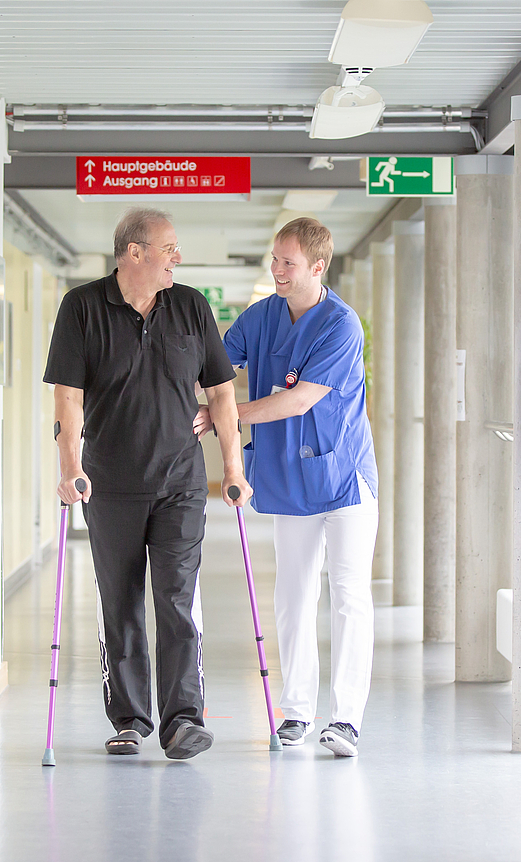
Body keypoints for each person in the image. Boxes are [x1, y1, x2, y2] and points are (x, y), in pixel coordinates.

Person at [45, 207, 251, 760]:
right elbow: (68, 397)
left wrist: (232, 467)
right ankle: (131, 717)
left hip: (181, 482)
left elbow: (222, 393)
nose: (177, 258)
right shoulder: (83, 308)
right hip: (110, 483)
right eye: (169, 249)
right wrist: (71, 466)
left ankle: (183, 719)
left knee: (177, 598)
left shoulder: (190, 307)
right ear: (134, 253)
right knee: (121, 602)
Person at [194, 217, 377, 757]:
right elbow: (218, 363)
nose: (276, 269)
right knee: (294, 596)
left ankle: (346, 720)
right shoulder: (263, 316)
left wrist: (222, 414)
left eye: (287, 262)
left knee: (348, 597)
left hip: (342, 477)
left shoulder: (341, 325)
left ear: (317, 267)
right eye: (274, 259)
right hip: (290, 480)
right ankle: (295, 711)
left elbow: (298, 401)